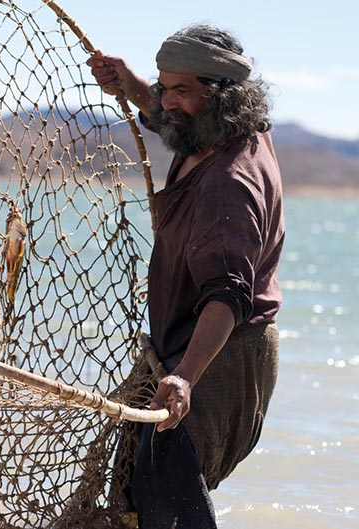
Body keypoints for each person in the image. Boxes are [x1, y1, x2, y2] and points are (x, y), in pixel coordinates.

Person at [88, 24, 284, 529]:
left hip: (219, 356)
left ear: (222, 98)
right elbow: (170, 119)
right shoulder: (223, 132)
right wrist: (131, 85)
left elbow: (227, 296)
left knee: (167, 504)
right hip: (192, 347)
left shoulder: (228, 184)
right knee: (139, 494)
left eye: (182, 90)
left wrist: (184, 376)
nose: (166, 100)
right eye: (163, 84)